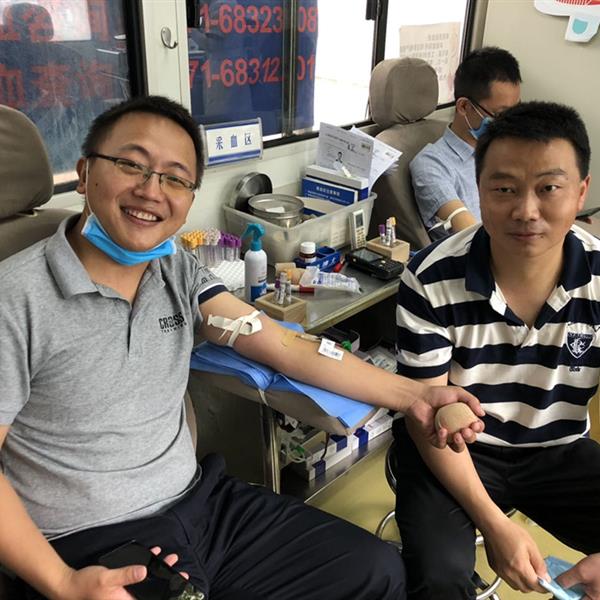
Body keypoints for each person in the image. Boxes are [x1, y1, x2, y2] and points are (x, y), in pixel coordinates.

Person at [0, 95, 483, 600]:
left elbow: (283, 345)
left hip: (202, 506)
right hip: (89, 544)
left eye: (175, 178)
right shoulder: (15, 299)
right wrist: (61, 582)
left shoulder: (176, 270)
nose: (150, 190)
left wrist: (414, 395)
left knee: (376, 571)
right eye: (131, 165)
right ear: (84, 173)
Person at [394, 100, 600, 599]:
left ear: (580, 192)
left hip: (558, 449)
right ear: (480, 189)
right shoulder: (430, 277)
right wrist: (495, 524)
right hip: (454, 450)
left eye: (548, 188)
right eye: (504, 189)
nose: (525, 211)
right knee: (440, 576)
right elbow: (424, 410)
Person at [410, 47, 521, 240]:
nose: (509, 124)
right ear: (464, 107)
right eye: (501, 115)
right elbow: (472, 236)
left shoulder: (507, 152)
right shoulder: (432, 164)